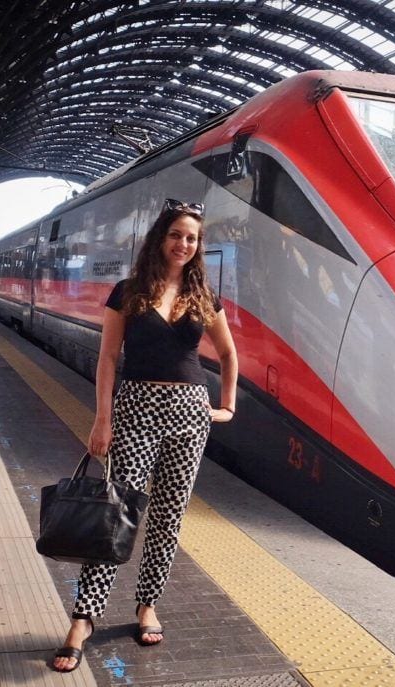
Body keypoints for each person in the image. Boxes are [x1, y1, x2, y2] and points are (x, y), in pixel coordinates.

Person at [52, 199, 238, 673]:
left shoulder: (203, 297)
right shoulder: (128, 291)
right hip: (135, 408)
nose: (183, 244)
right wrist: (101, 419)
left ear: (198, 247)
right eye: (176, 234)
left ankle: (146, 605)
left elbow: (228, 356)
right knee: (117, 511)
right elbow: (108, 359)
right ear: (160, 238)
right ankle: (84, 617)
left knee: (169, 517)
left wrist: (226, 406)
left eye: (192, 238)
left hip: (190, 414)